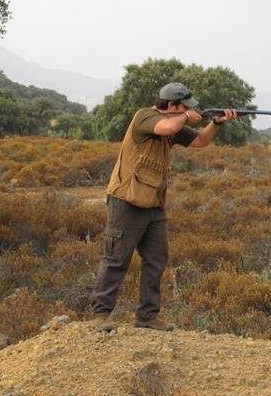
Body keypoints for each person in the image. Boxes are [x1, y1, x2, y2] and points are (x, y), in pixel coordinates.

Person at [90, 82, 239, 332]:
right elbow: (168, 125)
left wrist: (216, 123)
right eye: (183, 106)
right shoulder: (145, 116)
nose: (189, 110)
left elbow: (201, 141)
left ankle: (147, 317)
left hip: (153, 203)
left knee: (157, 259)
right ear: (170, 105)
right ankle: (100, 315)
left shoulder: (174, 123)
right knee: (116, 258)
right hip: (126, 199)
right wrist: (186, 117)